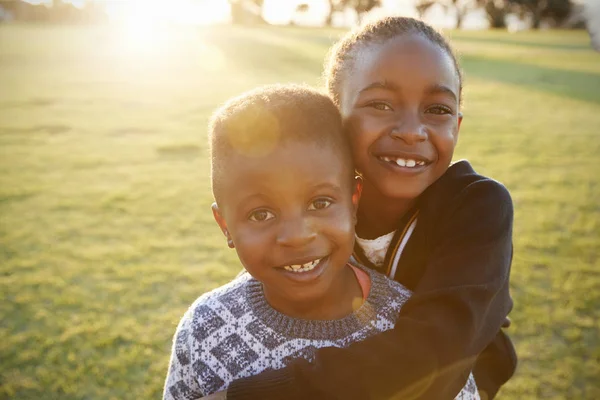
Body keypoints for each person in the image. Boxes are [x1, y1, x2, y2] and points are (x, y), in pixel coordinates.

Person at [224, 17, 517, 400]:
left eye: (438, 110)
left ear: (457, 127)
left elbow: (435, 356)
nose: (412, 130)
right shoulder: (314, 209)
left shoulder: (478, 207)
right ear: (334, 118)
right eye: (380, 104)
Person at [162, 85, 480, 400]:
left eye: (320, 203)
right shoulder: (205, 327)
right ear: (225, 226)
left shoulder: (407, 330)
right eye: (260, 214)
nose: (297, 236)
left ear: (354, 201)